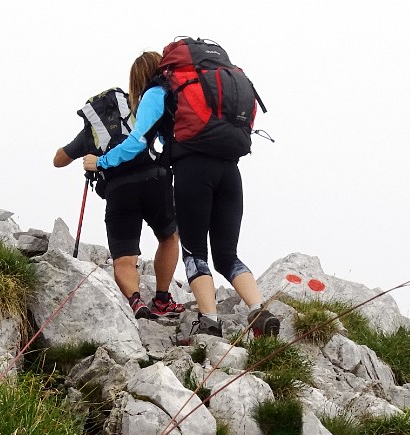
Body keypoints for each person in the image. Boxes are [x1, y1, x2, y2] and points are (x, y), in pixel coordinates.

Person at [86, 49, 264, 339]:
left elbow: (136, 143)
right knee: (227, 254)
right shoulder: (199, 90)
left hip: (194, 171)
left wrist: (101, 161)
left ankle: (209, 322)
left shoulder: (158, 92)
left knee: (195, 252)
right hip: (230, 171)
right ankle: (258, 309)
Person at [54, 91, 182, 320]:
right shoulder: (138, 115)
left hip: (119, 190)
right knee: (169, 237)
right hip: (154, 181)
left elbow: (58, 161)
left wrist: (87, 152)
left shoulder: (90, 134)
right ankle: (162, 300)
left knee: (123, 258)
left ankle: (135, 300)